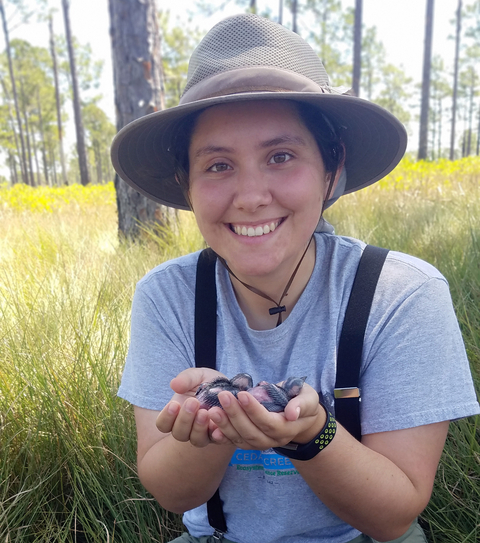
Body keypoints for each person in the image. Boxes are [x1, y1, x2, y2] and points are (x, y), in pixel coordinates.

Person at [111, 13, 480, 543]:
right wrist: (215, 427)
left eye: (281, 156)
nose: (251, 195)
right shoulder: (165, 296)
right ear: (185, 183)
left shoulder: (404, 293)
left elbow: (394, 516)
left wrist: (312, 435)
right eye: (217, 165)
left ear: (332, 170)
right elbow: (173, 495)